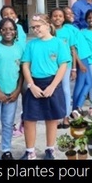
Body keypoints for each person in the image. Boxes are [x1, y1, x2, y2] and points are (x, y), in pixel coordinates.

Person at [20, 13, 71, 160]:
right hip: (35, 83)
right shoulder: (31, 45)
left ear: (48, 26)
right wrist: (31, 85)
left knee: (51, 118)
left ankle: (50, 149)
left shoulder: (58, 43)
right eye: (33, 27)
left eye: (38, 26)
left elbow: (62, 65)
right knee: (29, 119)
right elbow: (25, 65)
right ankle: (30, 151)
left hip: (52, 83)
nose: (36, 30)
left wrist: (53, 86)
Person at [0, 18, 24, 160]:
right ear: (0, 31)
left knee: (8, 124)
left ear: (15, 31)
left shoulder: (20, 49)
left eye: (11, 29)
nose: (8, 31)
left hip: (12, 94)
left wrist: (17, 91)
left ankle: (6, 150)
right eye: (4, 29)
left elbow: (22, 72)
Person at [0, 5, 27, 138]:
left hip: (22, 65)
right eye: (5, 14)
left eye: (11, 13)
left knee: (25, 95)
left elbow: (23, 46)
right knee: (8, 99)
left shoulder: (20, 29)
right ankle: (9, 125)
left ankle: (24, 122)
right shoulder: (1, 31)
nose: (9, 15)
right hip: (9, 68)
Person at [50, 7, 77, 129]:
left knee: (66, 90)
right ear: (51, 18)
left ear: (64, 18)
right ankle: (55, 117)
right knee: (53, 90)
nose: (57, 18)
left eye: (60, 16)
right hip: (51, 66)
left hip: (65, 64)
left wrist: (74, 69)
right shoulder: (49, 31)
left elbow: (73, 50)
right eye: (55, 16)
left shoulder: (68, 31)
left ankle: (65, 117)